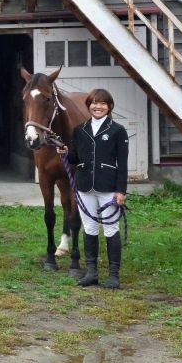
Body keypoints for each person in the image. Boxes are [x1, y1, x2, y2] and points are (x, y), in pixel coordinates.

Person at [59, 89, 129, 288]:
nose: (98, 107)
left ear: (109, 107)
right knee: (89, 228)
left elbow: (122, 164)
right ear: (88, 105)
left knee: (110, 228)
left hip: (108, 187)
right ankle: (91, 272)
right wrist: (65, 152)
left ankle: (114, 275)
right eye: (94, 103)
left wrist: (120, 191)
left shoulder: (118, 130)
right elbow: (75, 158)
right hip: (84, 187)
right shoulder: (80, 130)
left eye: (102, 103)